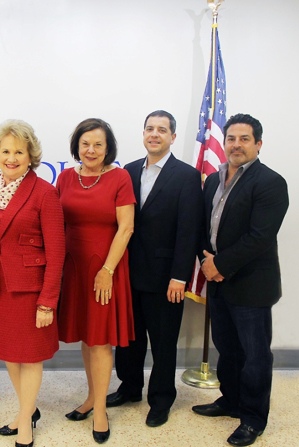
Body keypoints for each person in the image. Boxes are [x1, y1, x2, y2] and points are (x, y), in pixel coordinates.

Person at [193, 113, 288, 447]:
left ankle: (252, 418)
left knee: (255, 356)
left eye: (244, 139)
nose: (235, 144)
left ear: (258, 144)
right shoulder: (213, 180)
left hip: (251, 284)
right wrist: (207, 263)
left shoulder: (270, 182)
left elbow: (259, 237)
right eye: (231, 138)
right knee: (228, 350)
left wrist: (218, 264)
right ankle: (230, 401)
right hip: (218, 281)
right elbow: (204, 226)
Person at [106, 110, 204, 427]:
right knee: (129, 339)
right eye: (150, 128)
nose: (154, 134)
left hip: (165, 279)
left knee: (163, 343)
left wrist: (180, 277)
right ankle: (130, 387)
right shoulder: (128, 171)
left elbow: (189, 232)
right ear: (143, 134)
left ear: (172, 137)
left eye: (162, 130)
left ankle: (161, 400)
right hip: (128, 274)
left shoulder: (186, 176)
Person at [0, 119, 65, 447]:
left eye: (18, 151)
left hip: (31, 289)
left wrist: (48, 300)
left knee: (30, 356)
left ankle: (25, 421)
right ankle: (28, 409)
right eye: (5, 151)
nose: (11, 157)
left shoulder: (44, 192)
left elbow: (57, 251)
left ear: (31, 156)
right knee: (10, 355)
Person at [56, 118, 135, 444]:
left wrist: (107, 270)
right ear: (77, 145)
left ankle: (100, 409)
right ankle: (91, 398)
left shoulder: (120, 177)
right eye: (85, 143)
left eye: (98, 144)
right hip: (73, 269)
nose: (91, 150)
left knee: (100, 340)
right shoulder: (64, 177)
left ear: (108, 148)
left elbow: (126, 228)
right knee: (86, 338)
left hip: (106, 269)